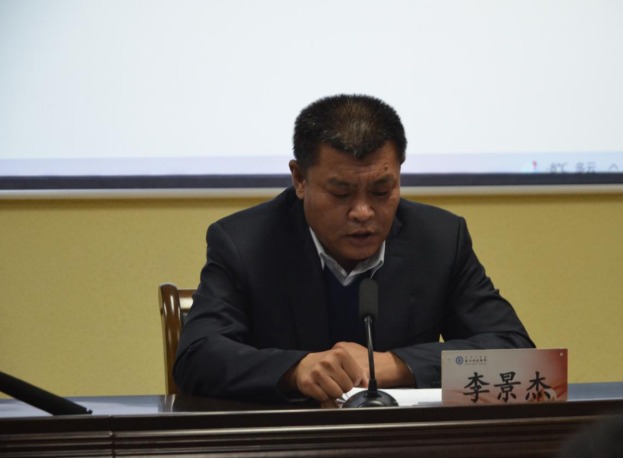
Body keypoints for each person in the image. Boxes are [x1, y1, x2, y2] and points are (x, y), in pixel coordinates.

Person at [174, 94, 535, 405]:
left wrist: (394, 365)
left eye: (381, 191)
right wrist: (295, 370)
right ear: (300, 179)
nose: (363, 212)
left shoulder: (439, 239)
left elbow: (518, 356)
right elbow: (197, 357)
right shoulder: (244, 243)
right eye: (340, 193)